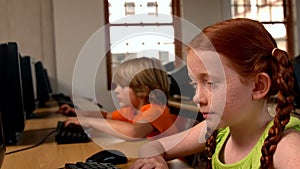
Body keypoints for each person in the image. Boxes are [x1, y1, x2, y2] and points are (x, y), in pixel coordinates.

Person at [129, 18, 300, 169]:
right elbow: (153, 146)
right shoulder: (217, 130)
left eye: (210, 83)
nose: (197, 97)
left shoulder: (287, 147)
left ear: (258, 86)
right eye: (194, 83)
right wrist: (154, 159)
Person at [57, 57, 178, 140]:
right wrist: (78, 113)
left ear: (143, 91)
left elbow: (134, 131)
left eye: (123, 86)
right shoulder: (132, 110)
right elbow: (105, 116)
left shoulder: (156, 111)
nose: (116, 90)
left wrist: (89, 122)